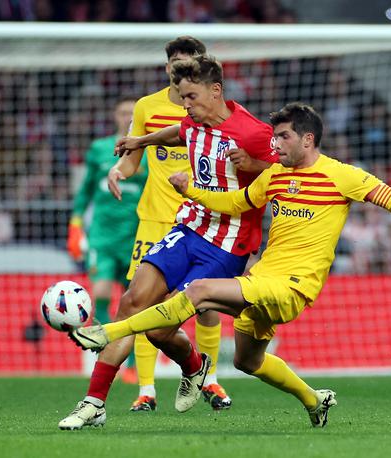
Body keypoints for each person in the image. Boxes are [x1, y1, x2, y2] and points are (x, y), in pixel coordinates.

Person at [70, 102, 391, 428]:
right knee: (247, 361)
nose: (276, 146)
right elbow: (235, 203)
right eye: (274, 138)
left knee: (199, 291)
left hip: (293, 286)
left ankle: (110, 332)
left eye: (284, 137)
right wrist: (191, 191)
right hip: (263, 279)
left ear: (308, 139)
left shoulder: (343, 176)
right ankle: (314, 400)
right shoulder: (274, 176)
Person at [58, 53, 277, 430]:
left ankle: (192, 365)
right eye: (181, 96)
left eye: (191, 97)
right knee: (132, 304)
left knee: (160, 326)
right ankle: (95, 403)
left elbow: (291, 175)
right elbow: (176, 133)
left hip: (226, 245)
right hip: (188, 228)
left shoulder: (254, 133)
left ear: (215, 91)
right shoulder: (192, 122)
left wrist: (255, 167)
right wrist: (138, 140)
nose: (185, 104)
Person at [106, 36, 234, 413]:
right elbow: (133, 155)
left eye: (189, 61)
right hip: (156, 220)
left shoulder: (214, 109)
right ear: (168, 68)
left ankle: (208, 379)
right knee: (144, 304)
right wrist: (119, 170)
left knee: (207, 305)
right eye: (175, 62)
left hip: (201, 220)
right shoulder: (147, 107)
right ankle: (146, 389)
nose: (181, 69)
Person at [67, 96, 144, 329]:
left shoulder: (148, 152)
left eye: (132, 113)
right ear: (115, 116)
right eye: (123, 113)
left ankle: (130, 360)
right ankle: (105, 344)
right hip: (103, 235)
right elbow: (85, 190)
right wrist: (76, 224)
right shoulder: (99, 149)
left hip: (134, 234)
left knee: (133, 297)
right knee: (101, 290)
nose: (128, 117)